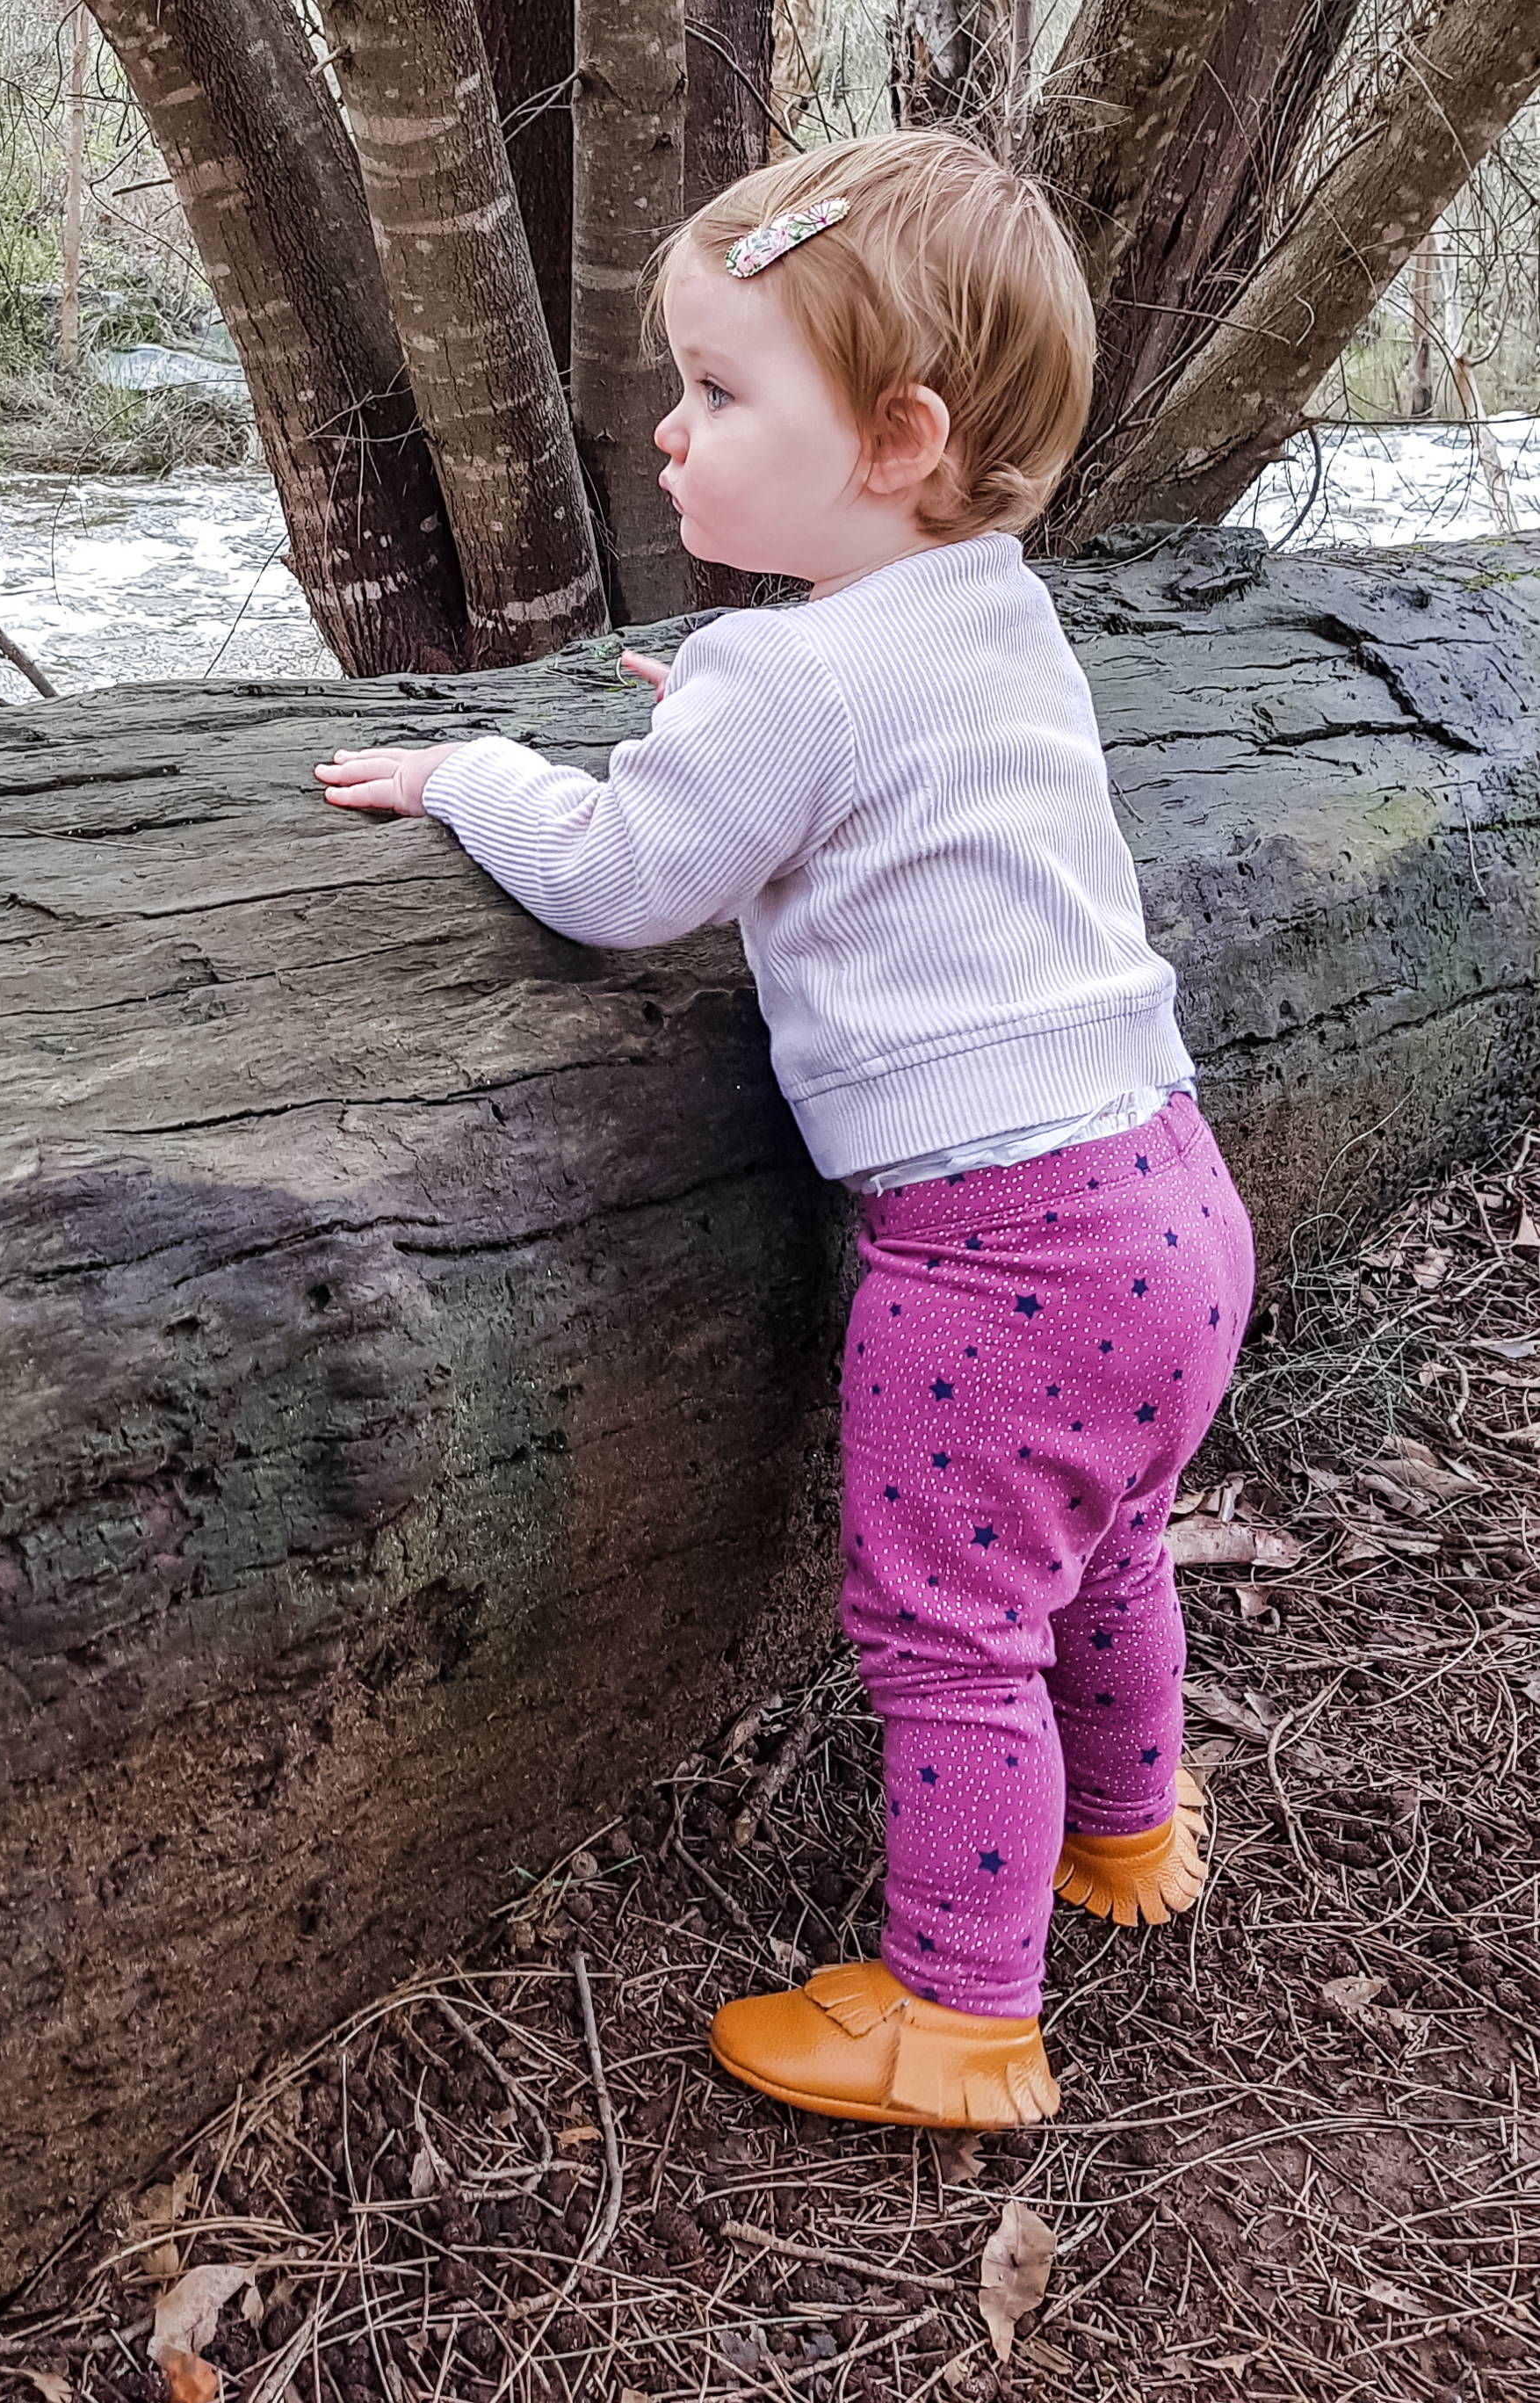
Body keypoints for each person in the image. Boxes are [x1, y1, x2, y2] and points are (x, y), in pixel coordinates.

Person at [311, 129, 1255, 2131]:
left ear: (900, 435)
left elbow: (625, 875)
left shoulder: (787, 677)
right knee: (1108, 1550)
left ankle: (963, 2014)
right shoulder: (985, 613)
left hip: (1000, 1255)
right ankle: (1129, 1840)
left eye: (723, 393)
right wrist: (743, 708)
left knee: (947, 1626)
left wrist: (483, 769)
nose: (667, 432)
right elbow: (882, 760)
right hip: (1167, 1202)